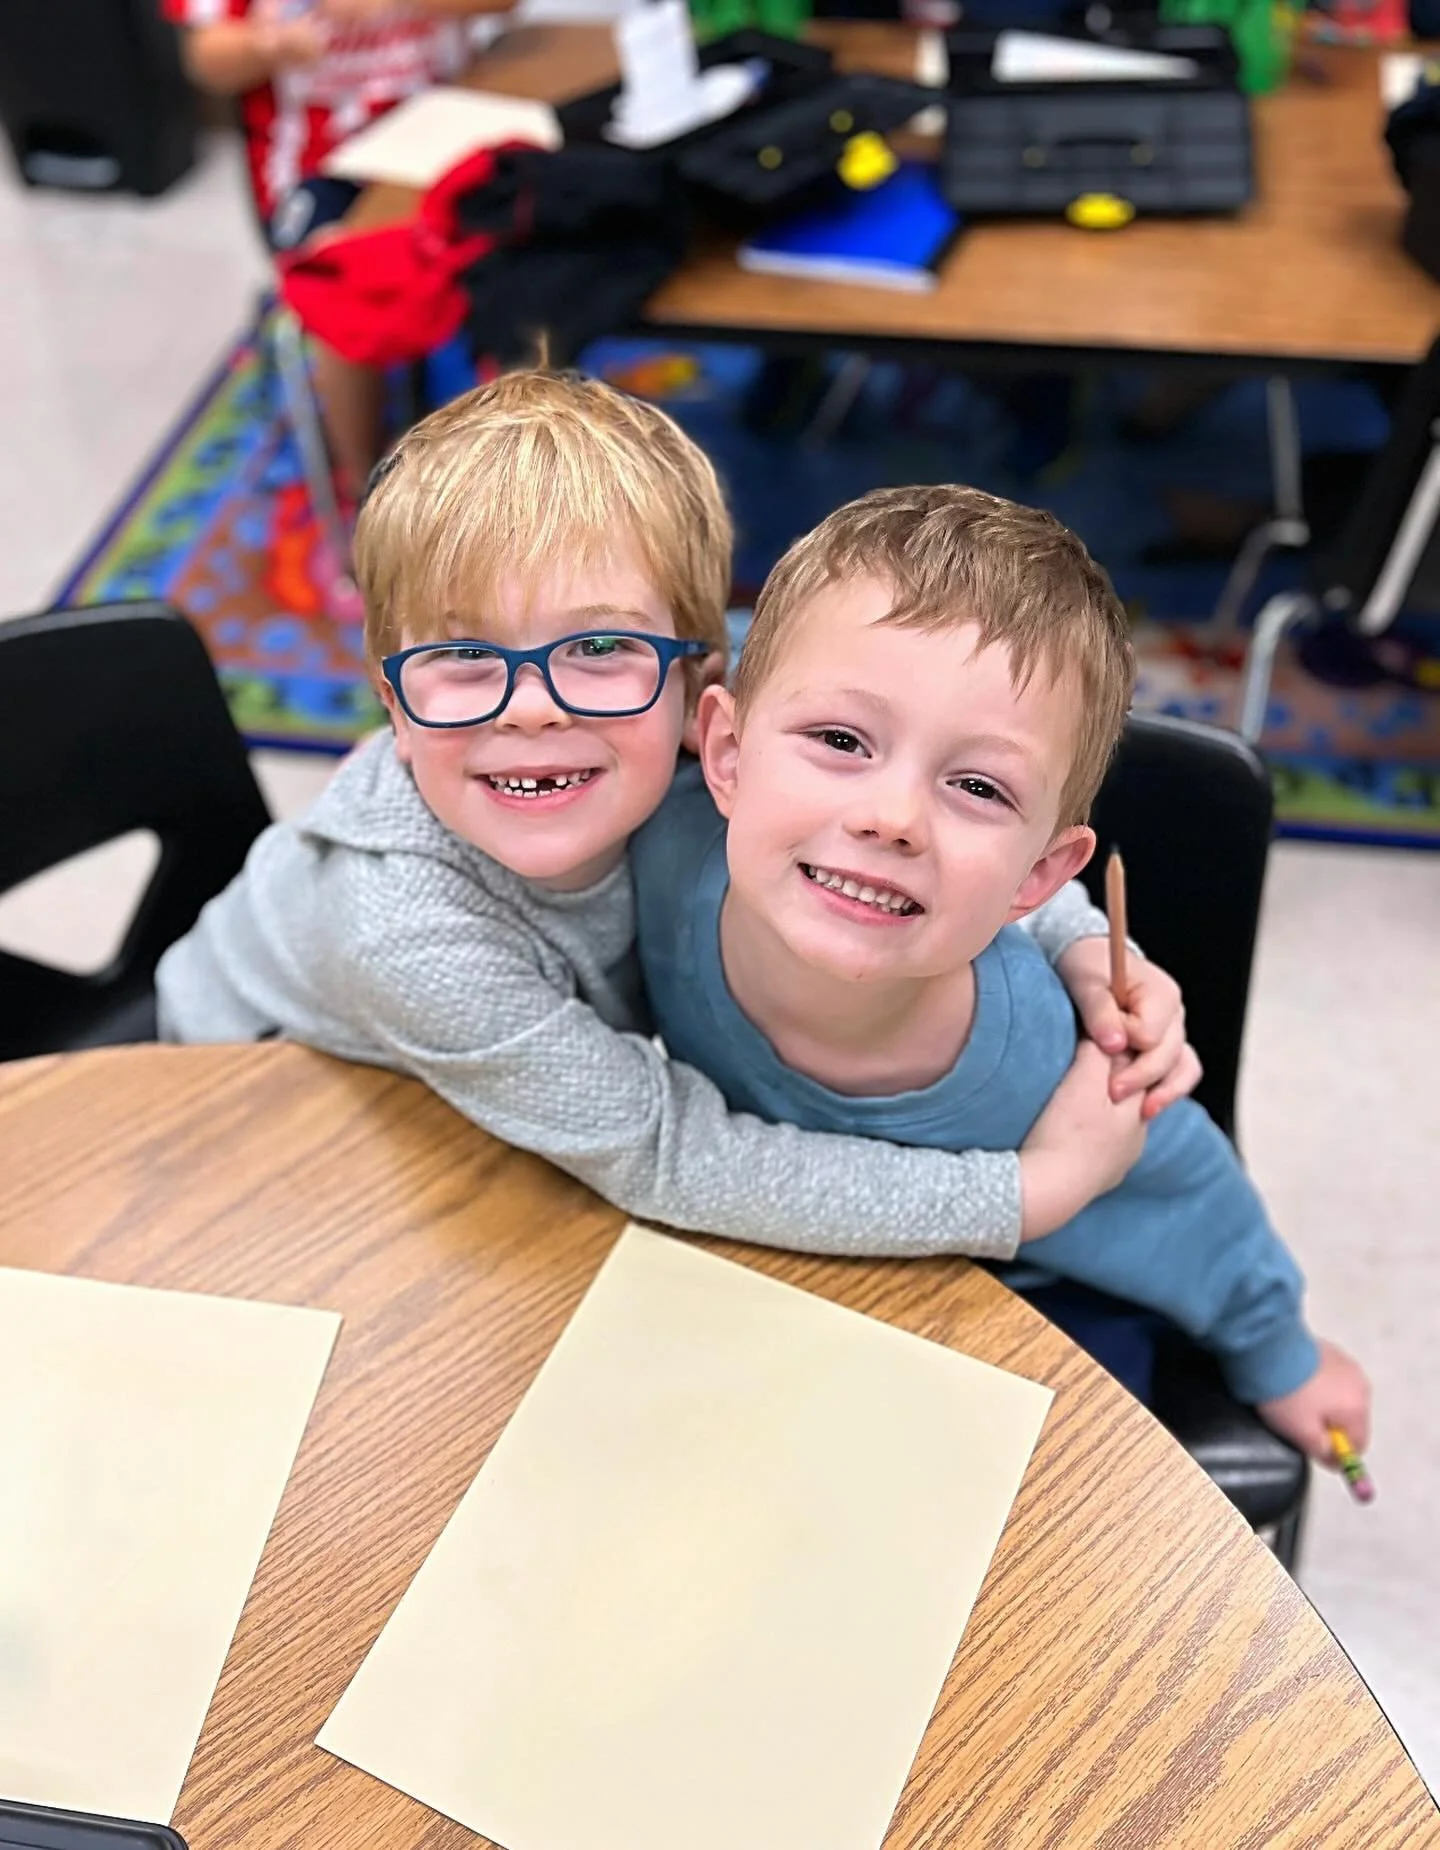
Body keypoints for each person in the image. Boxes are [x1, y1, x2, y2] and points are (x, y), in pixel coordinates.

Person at [157, 370, 1198, 1263]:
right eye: (464, 656)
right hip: (267, 1103)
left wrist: (1079, 945)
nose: (533, 708)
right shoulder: (404, 932)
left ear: (702, 685)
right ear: (393, 705)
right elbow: (664, 1153)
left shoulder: (722, 712)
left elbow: (928, 794)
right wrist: (1031, 1193)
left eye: (599, 647)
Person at [629, 483, 1371, 1463]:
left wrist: (1285, 1357)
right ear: (725, 752)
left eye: (977, 786)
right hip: (748, 1263)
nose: (893, 817)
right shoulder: (660, 848)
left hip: (1014, 1302)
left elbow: (1188, 1193)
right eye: (841, 741)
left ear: (1040, 876)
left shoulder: (1046, 1062)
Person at [165, 0, 514, 514]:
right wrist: (271, 45)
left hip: (444, 133)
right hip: (316, 167)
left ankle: (523, 454)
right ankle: (367, 489)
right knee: (342, 280)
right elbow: (206, 58)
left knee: (534, 230)